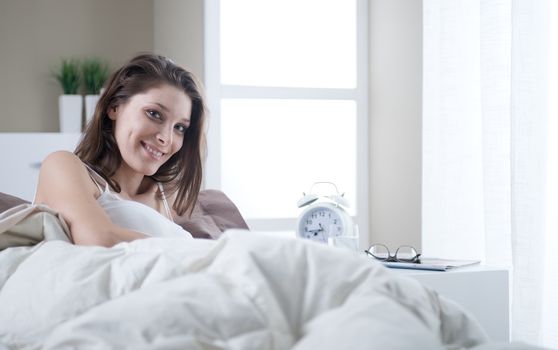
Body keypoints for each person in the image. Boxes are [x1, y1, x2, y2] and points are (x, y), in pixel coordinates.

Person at [34, 53, 206, 247]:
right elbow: (97, 238)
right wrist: (200, 251)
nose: (166, 138)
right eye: (154, 114)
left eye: (179, 127)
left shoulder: (166, 198)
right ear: (114, 106)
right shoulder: (63, 166)